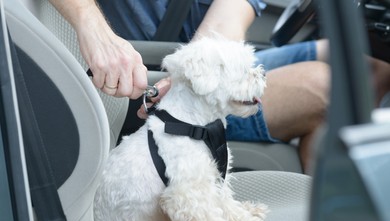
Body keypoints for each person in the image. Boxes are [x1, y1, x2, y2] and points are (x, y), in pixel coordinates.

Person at [48, 0, 330, 172]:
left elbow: (227, 20)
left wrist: (187, 73)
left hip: (197, 67)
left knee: (367, 69)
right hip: (136, 81)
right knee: (328, 87)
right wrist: (95, 31)